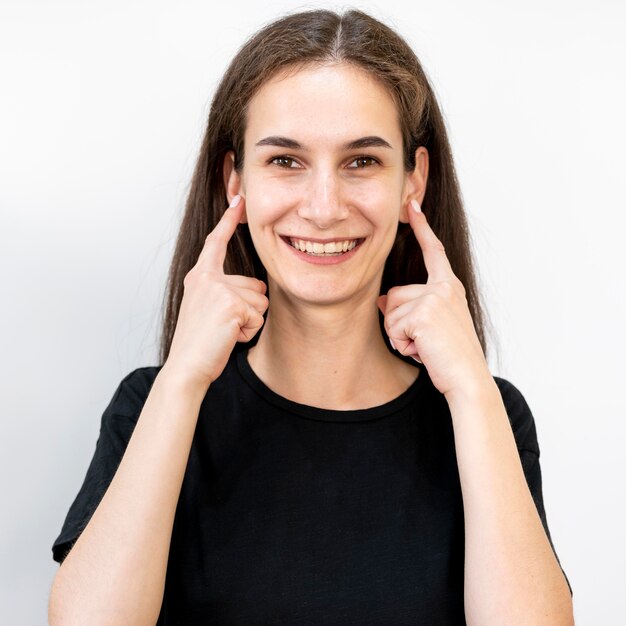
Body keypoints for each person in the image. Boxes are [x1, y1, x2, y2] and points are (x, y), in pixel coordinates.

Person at [48, 8, 574, 625]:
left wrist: (470, 389)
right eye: (285, 161)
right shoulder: (152, 406)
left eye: (362, 162)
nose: (323, 208)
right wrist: (183, 379)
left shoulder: (487, 415)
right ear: (233, 179)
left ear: (414, 181)